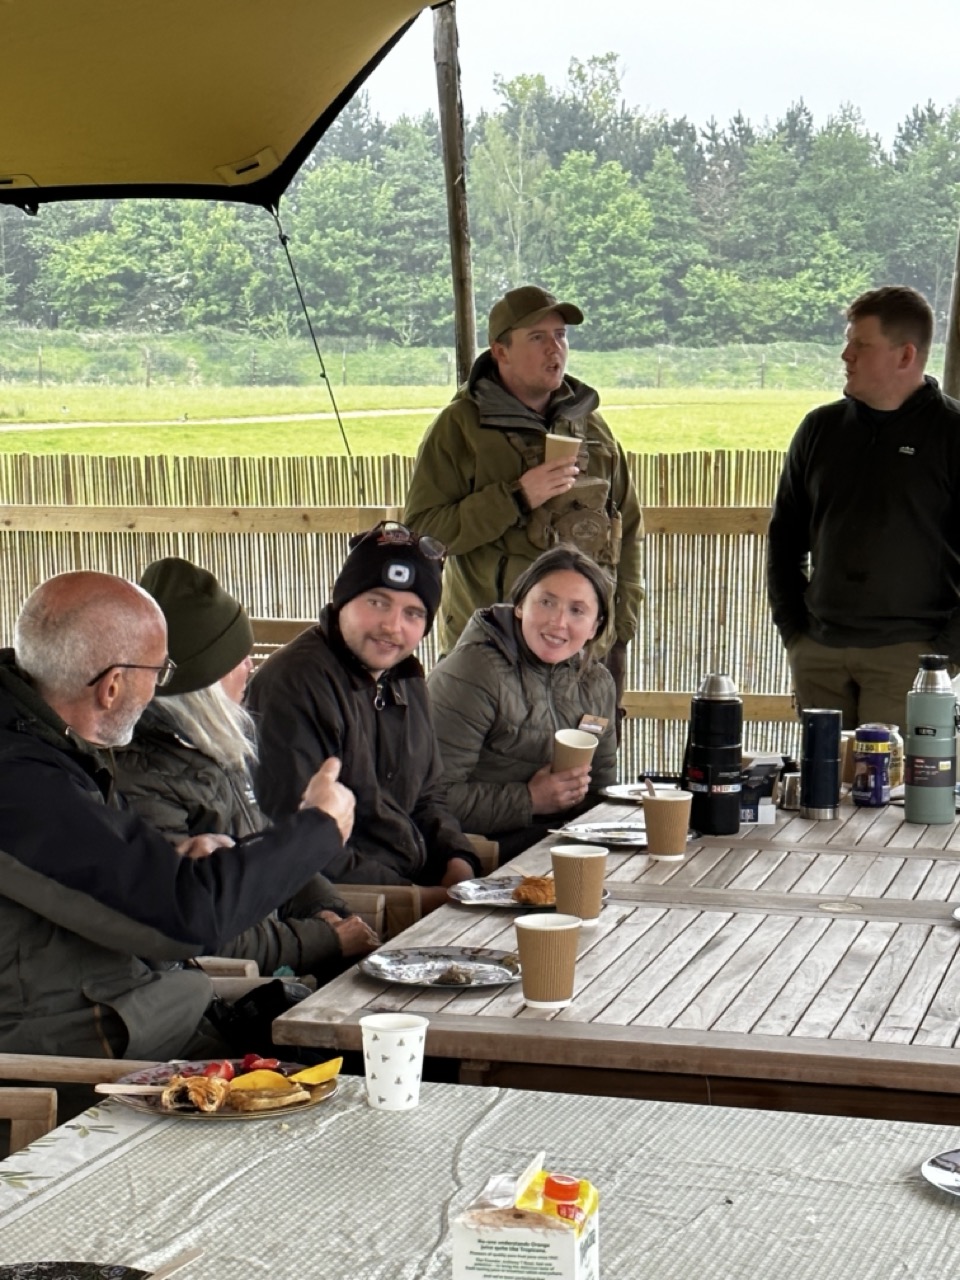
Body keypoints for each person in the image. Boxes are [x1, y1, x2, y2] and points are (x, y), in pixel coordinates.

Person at [0, 571, 355, 1060]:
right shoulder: (22, 781)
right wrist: (319, 829)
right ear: (111, 687)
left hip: (152, 1016)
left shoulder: (49, 745)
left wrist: (174, 858)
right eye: (160, 673)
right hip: (94, 1066)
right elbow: (184, 915)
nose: (160, 692)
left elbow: (98, 881)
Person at [113, 557, 378, 982]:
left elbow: (266, 851)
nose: (250, 667)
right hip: (223, 988)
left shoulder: (214, 750)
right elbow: (200, 926)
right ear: (200, 685)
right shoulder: (142, 778)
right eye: (237, 659)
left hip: (281, 955)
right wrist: (325, 939)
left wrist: (328, 910)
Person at [402, 285, 643, 708]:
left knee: (579, 773)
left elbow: (629, 529)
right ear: (501, 351)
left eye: (561, 335)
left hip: (581, 655)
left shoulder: (592, 429)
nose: (555, 348)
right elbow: (423, 534)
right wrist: (515, 497)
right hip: (490, 658)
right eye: (537, 337)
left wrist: (619, 628)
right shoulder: (460, 429)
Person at [247, 523, 480, 910]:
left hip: (415, 889)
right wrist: (415, 897)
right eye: (377, 602)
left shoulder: (405, 676)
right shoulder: (294, 684)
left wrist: (458, 861)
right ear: (343, 599)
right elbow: (298, 838)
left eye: (413, 613)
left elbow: (428, 795)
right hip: (345, 907)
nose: (392, 626)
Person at [767, 285, 960, 729]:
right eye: (848, 341)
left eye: (861, 344)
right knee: (820, 792)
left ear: (905, 356)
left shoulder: (953, 434)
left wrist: (942, 659)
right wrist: (795, 635)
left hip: (907, 657)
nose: (845, 354)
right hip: (819, 652)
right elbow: (784, 539)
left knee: (891, 795)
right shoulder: (820, 429)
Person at [427, 546, 618, 859]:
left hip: (566, 845)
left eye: (577, 611)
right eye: (546, 602)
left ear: (595, 626)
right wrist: (530, 799)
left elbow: (601, 790)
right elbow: (428, 800)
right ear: (519, 605)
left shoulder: (596, 683)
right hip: (479, 851)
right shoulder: (474, 672)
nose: (558, 623)